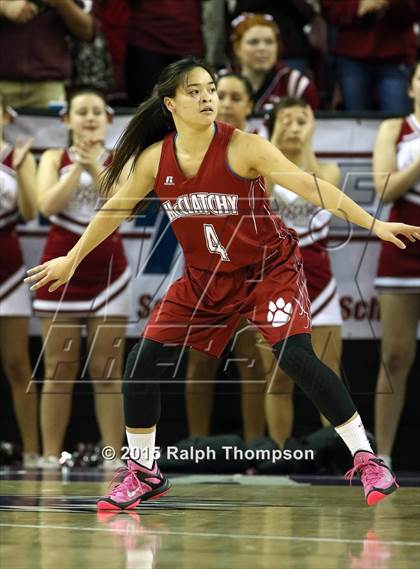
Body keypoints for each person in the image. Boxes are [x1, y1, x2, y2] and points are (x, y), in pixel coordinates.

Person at [25, 58, 419, 510]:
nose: (207, 97)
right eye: (194, 91)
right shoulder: (156, 159)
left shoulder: (244, 147)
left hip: (267, 269)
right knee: (140, 362)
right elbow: (113, 210)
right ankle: (143, 471)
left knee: (296, 356)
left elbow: (315, 188)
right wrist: (72, 260)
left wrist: (375, 224)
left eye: (210, 88)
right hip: (204, 279)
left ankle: (368, 460)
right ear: (170, 103)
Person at [33, 87, 130, 468]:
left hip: (109, 273)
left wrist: (94, 166)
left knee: (107, 370)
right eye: (81, 112)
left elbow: (123, 205)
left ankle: (112, 456)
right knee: (58, 370)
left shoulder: (120, 158)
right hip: (58, 272)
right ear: (66, 120)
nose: (89, 118)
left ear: (108, 120)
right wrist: (77, 166)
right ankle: (48, 456)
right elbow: (46, 205)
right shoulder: (52, 158)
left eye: (96, 112)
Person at [186, 73, 267, 445]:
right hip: (202, 265)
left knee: (253, 360)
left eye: (237, 96)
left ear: (250, 106)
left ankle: (254, 450)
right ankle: (197, 447)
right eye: (223, 94)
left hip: (251, 266)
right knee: (201, 359)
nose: (228, 102)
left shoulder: (261, 148)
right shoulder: (188, 146)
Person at [264, 97, 343, 449]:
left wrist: (306, 143)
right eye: (286, 120)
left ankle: (337, 454)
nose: (294, 128)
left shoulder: (328, 170)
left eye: (301, 121)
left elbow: (317, 190)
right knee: (279, 375)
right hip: (277, 283)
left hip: (321, 285)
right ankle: (281, 454)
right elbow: (262, 196)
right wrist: (274, 142)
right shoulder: (261, 170)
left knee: (327, 373)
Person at [373, 61, 420, 469]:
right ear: (412, 87)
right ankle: (381, 456)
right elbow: (385, 186)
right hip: (404, 244)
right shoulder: (394, 128)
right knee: (395, 356)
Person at [0, 96, 39, 467]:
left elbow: (30, 211)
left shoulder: (16, 156)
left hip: (9, 270)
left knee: (16, 363)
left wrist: (25, 165)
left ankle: (32, 451)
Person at [320, 0, 419, 113]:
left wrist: (389, 2)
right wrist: (358, 7)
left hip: (396, 55)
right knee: (357, 121)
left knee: (397, 122)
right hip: (352, 55)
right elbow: (329, 10)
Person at [0, 0, 94, 108]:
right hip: (2, 83)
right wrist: (3, 7)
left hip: (47, 86)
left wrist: (62, 3)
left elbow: (87, 32)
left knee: (54, 124)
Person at [226, 12, 319, 112]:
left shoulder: (297, 85)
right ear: (237, 48)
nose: (262, 48)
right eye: (253, 42)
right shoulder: (218, 84)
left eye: (269, 42)